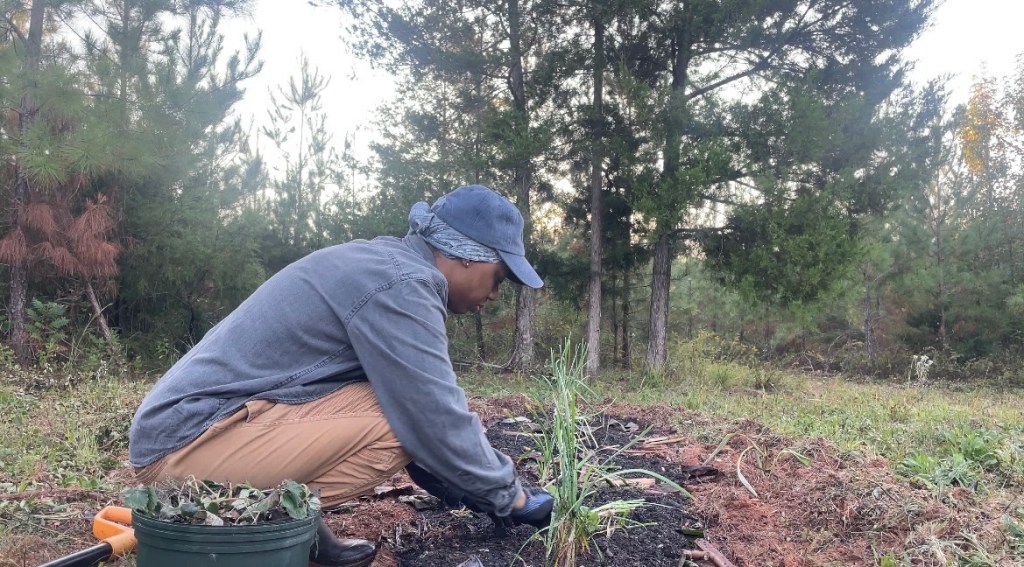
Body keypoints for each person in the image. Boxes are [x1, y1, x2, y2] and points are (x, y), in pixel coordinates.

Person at [128, 185, 553, 567]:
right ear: (468, 254)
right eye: (498, 277)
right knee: (402, 424)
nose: (494, 295)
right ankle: (255, 530)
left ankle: (304, 533)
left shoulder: (382, 263)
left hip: (187, 432)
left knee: (392, 403)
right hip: (186, 448)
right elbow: (432, 416)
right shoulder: (403, 284)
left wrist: (462, 482)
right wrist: (511, 496)